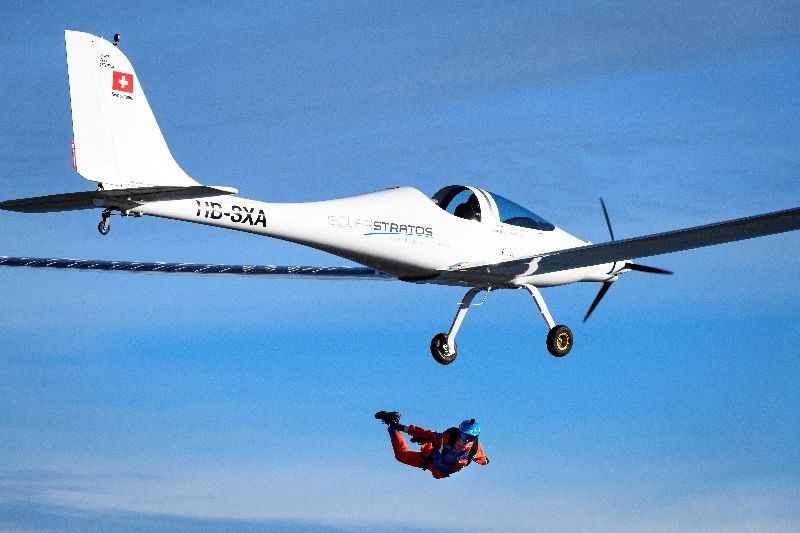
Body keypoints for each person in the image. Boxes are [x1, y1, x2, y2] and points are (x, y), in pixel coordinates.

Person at [375, 410, 489, 479]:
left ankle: (393, 424)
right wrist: (400, 427)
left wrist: (485, 462)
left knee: (401, 456)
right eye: (464, 436)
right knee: (400, 455)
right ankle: (393, 424)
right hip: (428, 460)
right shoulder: (448, 437)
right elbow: (426, 433)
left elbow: (482, 459)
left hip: (437, 469)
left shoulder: (475, 450)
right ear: (459, 434)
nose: (466, 441)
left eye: (470, 438)